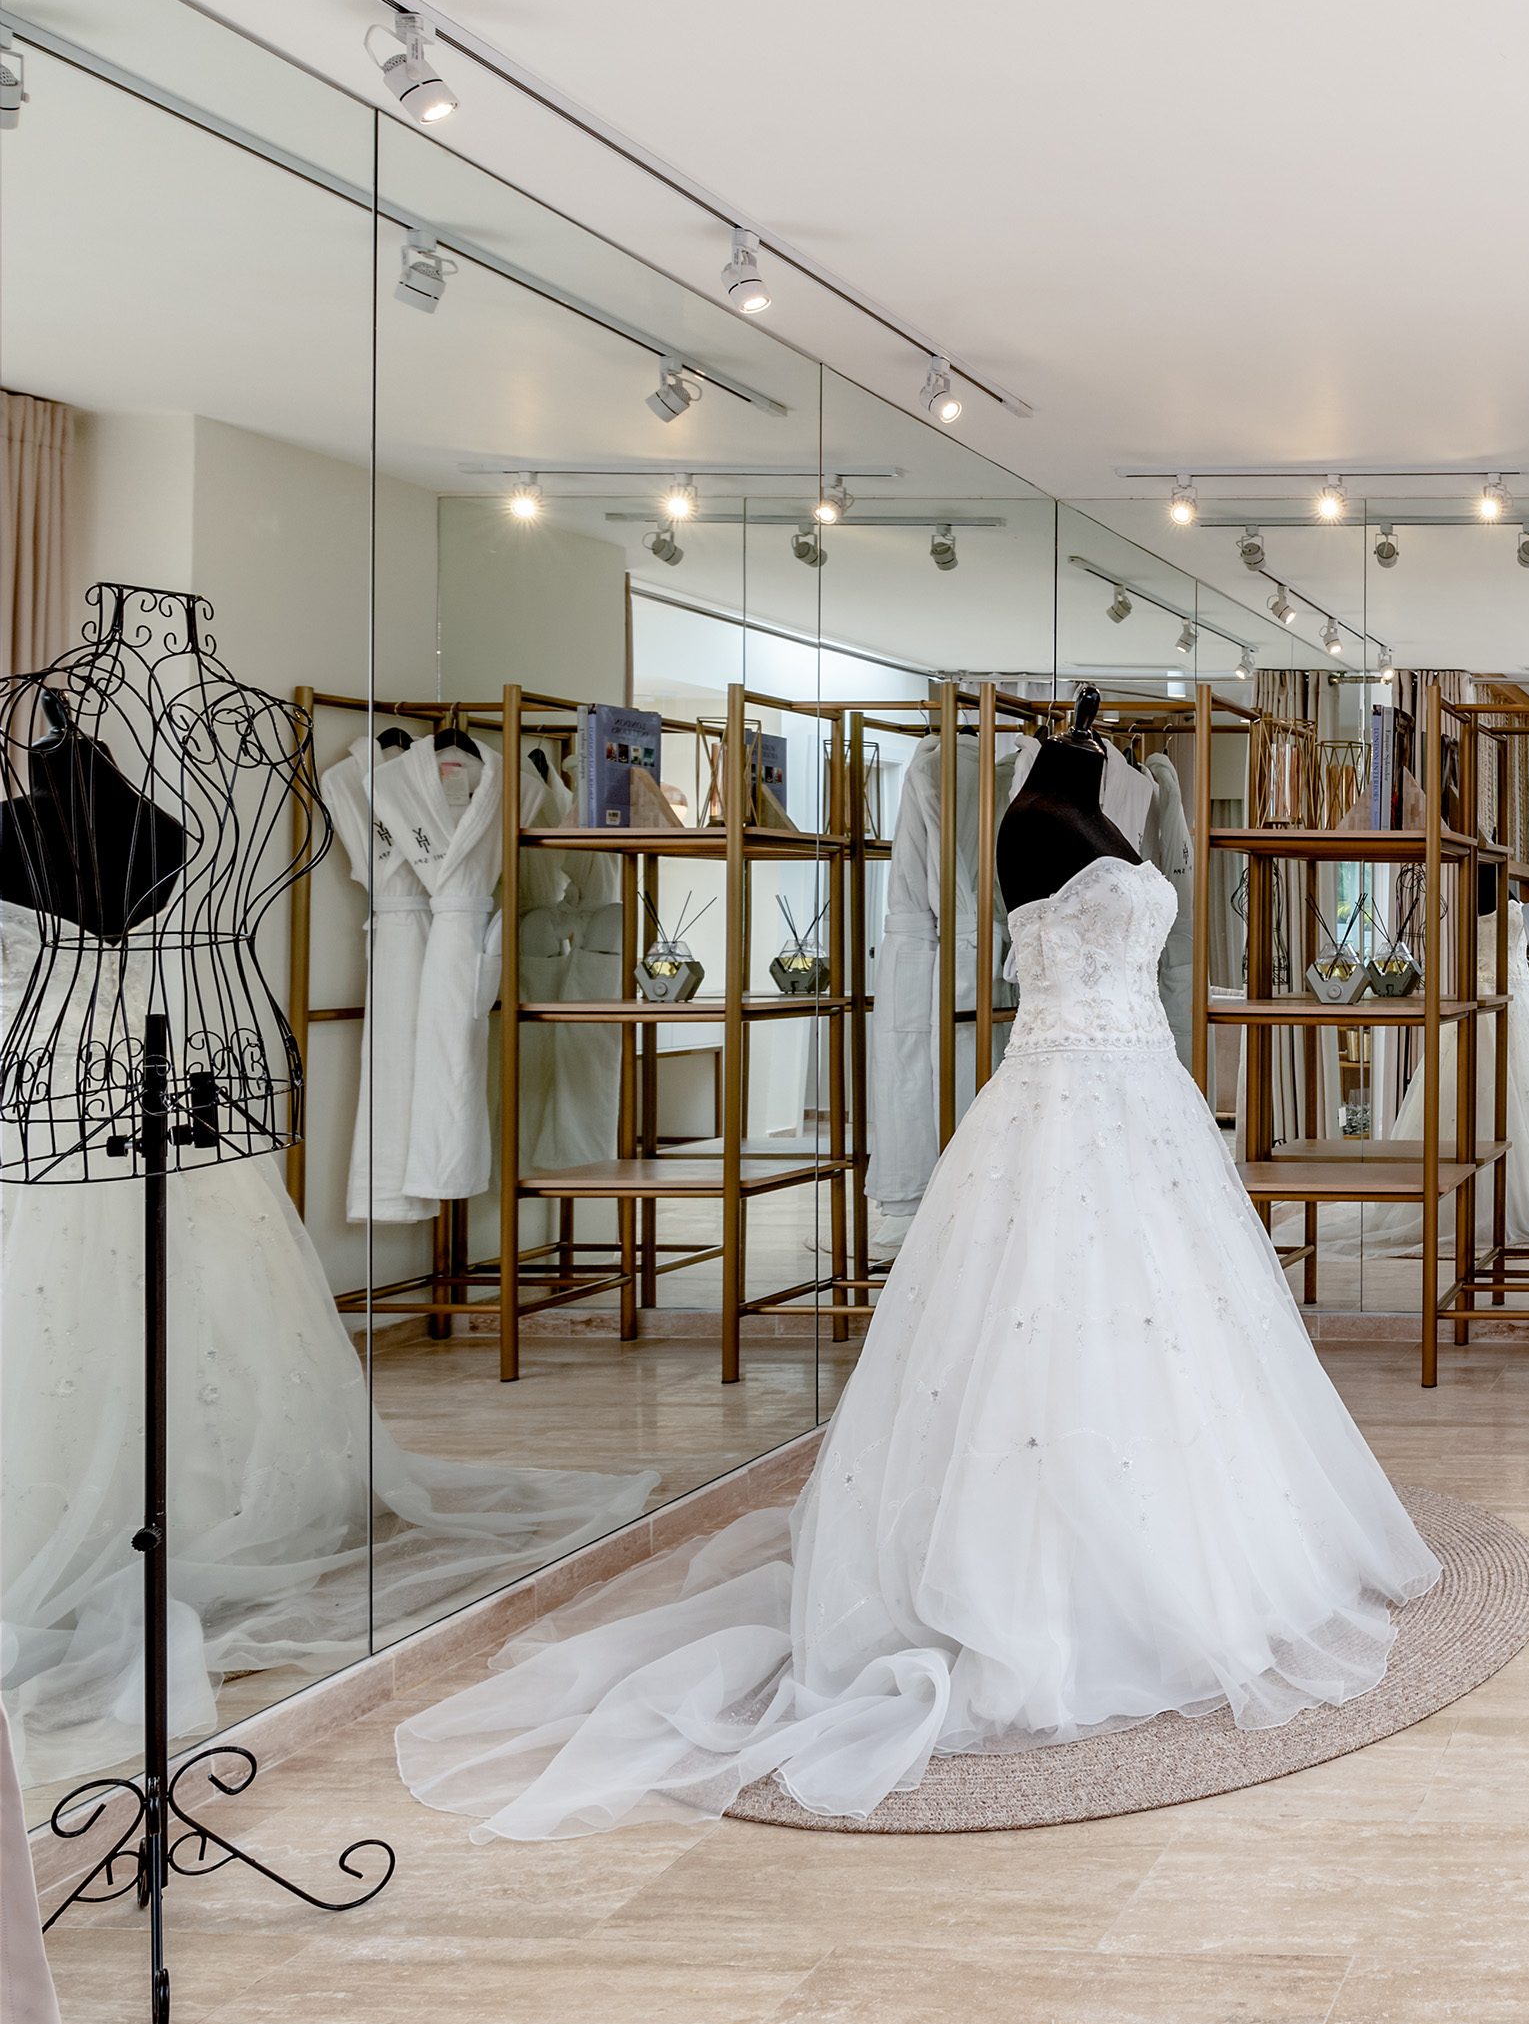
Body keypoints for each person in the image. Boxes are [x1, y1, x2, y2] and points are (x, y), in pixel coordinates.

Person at [397, 709, 1438, 1840]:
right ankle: (1046, 1589)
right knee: (1045, 1343)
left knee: (1172, 1343)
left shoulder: (1100, 798)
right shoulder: (1035, 816)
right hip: (1059, 1109)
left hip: (1147, 1106)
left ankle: (1187, 1557)